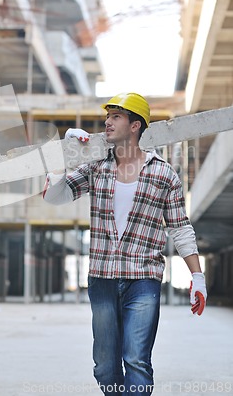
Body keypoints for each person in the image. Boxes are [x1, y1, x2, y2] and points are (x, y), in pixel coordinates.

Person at [43, 92, 207, 396]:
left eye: (116, 116)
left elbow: (180, 229)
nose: (107, 122)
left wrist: (197, 277)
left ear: (135, 125)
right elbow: (57, 197)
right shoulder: (96, 167)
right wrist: (65, 155)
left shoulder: (163, 174)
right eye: (108, 116)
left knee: (136, 361)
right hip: (102, 278)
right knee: (104, 366)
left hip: (143, 279)